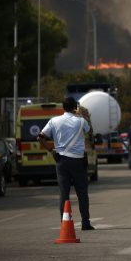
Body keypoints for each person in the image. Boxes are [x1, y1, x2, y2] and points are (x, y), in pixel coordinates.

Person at [37, 97, 95, 230]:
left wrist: (51, 151)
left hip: (61, 161)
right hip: (78, 162)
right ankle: (85, 223)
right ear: (75, 107)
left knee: (64, 193)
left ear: (63, 107)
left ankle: (64, 224)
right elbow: (90, 132)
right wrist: (82, 115)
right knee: (82, 193)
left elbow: (40, 137)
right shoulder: (81, 121)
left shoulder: (54, 121)